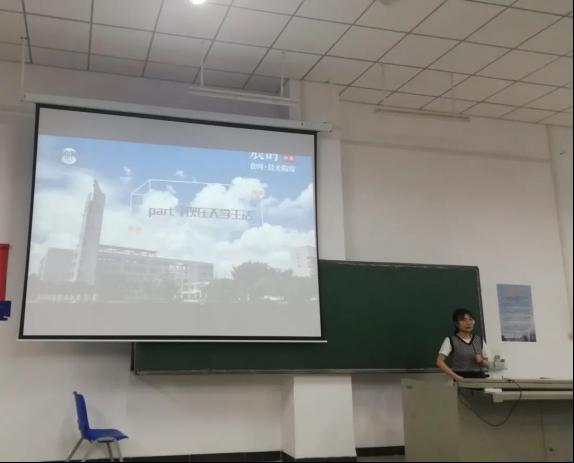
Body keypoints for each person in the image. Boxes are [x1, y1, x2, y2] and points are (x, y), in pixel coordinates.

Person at [436, 308, 490, 381]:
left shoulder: (479, 340)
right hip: (461, 379)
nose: (468, 323)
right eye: (463, 320)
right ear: (456, 324)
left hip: (479, 379)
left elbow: (488, 364)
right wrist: (456, 377)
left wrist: (481, 361)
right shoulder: (450, 340)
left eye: (470, 319)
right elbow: (439, 362)